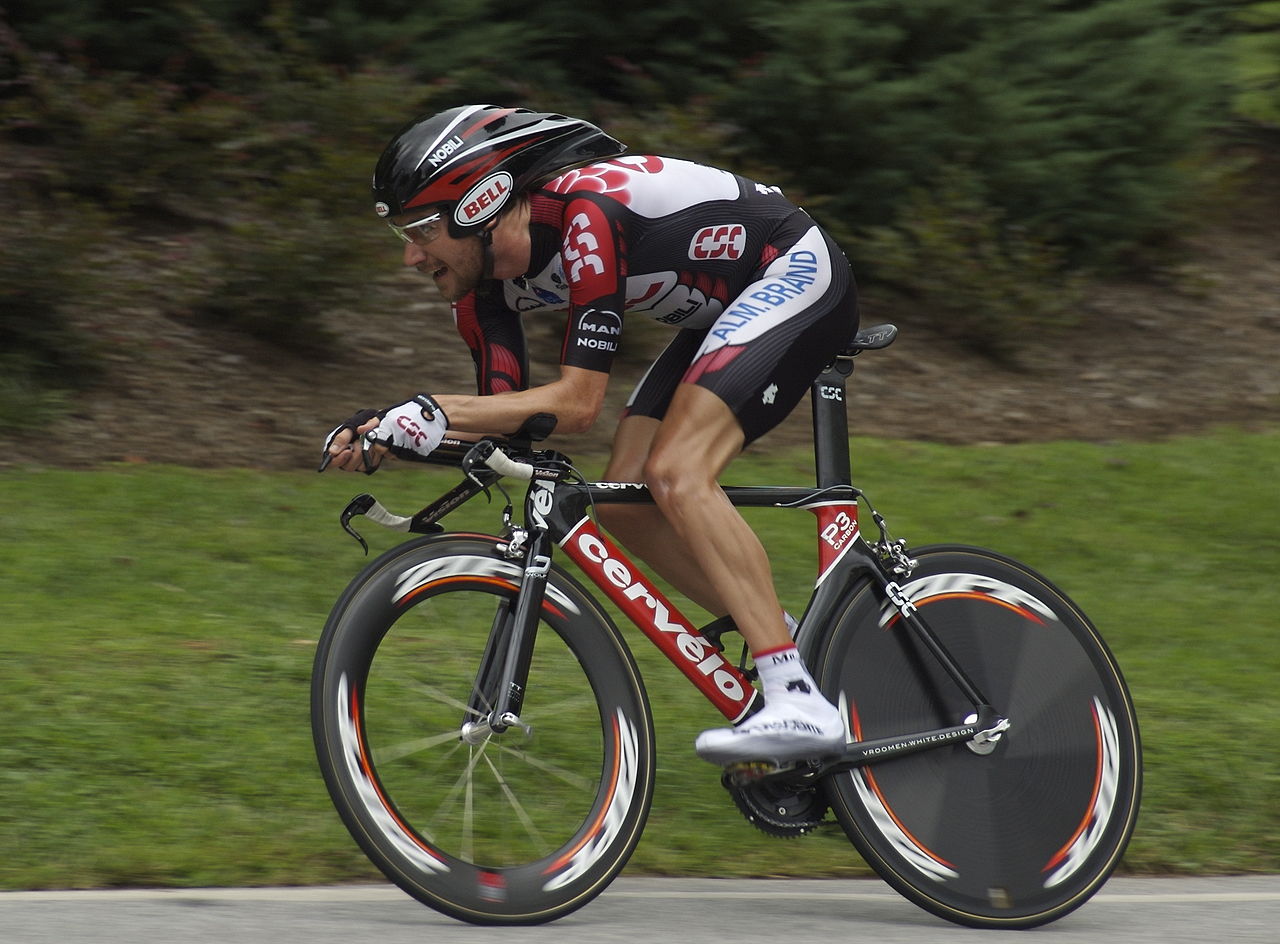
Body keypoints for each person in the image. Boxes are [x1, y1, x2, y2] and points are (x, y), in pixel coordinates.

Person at [323, 104, 859, 766]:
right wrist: (397, 435)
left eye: (421, 229)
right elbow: (510, 427)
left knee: (677, 473)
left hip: (793, 272)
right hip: (724, 308)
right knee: (624, 500)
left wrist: (432, 408)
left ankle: (794, 693)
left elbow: (578, 404)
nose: (410, 256)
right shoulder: (479, 290)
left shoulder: (584, 214)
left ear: (479, 202)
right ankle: (788, 642)